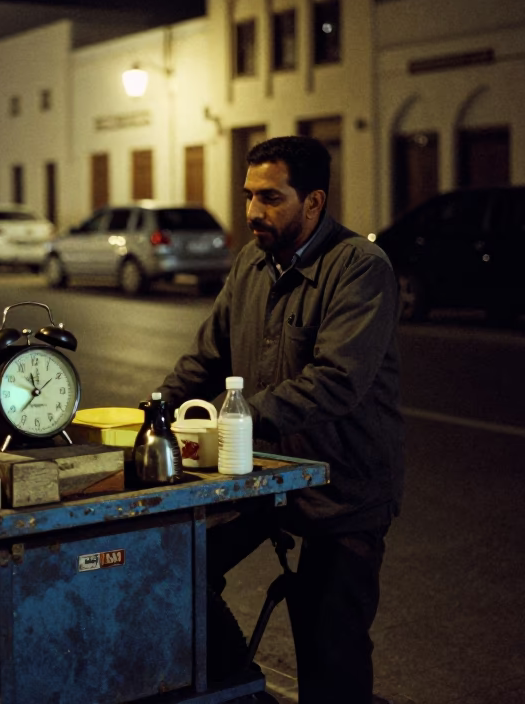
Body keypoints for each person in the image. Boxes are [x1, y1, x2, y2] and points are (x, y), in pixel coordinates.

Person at [156, 135, 403, 704]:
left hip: (343, 485)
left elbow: (337, 379)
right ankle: (240, 686)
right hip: (261, 472)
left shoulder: (360, 268)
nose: (251, 212)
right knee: (176, 568)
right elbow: (207, 356)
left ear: (313, 202)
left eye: (270, 198)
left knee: (329, 650)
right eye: (247, 196)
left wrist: (238, 416)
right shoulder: (251, 263)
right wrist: (158, 411)